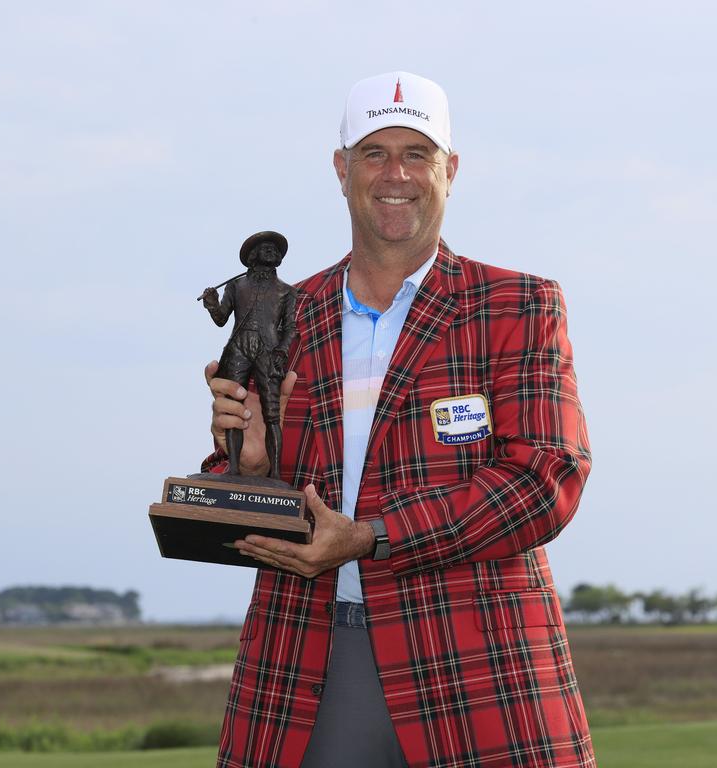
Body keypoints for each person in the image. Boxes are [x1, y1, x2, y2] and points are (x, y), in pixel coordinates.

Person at [203, 71, 596, 767]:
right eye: (374, 153)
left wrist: (373, 538)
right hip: (309, 663)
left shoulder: (516, 305)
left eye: (417, 153)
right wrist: (249, 466)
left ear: (450, 169)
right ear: (341, 168)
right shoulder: (289, 312)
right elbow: (235, 492)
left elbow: (545, 480)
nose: (396, 174)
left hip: (481, 666)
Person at [201, 232, 297, 481]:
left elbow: (290, 329)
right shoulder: (236, 286)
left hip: (268, 350)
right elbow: (222, 319)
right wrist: (212, 302)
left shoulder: (287, 292)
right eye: (266, 248)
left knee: (272, 412)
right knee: (233, 410)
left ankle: (275, 473)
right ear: (253, 256)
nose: (272, 252)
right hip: (239, 347)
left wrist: (281, 351)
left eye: (275, 250)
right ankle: (233, 467)